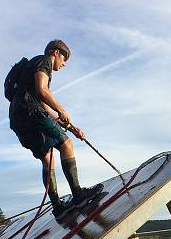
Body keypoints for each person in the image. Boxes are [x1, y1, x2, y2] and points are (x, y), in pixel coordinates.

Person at [7, 39, 103, 218]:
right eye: (64, 61)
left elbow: (44, 107)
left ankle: (58, 206)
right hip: (31, 112)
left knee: (47, 159)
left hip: (18, 117)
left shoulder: (27, 76)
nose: (63, 65)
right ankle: (78, 194)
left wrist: (71, 127)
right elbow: (43, 90)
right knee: (66, 144)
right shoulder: (43, 61)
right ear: (56, 52)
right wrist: (63, 110)